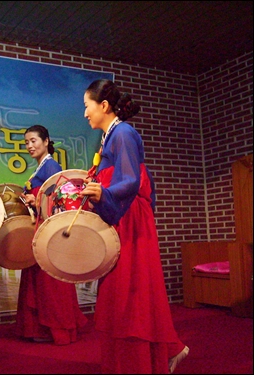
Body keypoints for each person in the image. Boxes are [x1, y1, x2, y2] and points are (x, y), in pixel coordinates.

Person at [80, 79, 189, 374]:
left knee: (131, 294)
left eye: (87, 106)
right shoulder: (110, 136)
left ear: (103, 106)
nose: (86, 113)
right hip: (121, 215)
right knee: (127, 293)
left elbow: (129, 180)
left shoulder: (123, 133)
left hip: (129, 217)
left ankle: (146, 360)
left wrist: (104, 193)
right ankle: (165, 350)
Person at [17, 124, 88, 345]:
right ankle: (41, 328)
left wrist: (34, 199)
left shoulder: (52, 166)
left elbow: (62, 200)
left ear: (46, 141)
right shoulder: (41, 167)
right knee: (41, 281)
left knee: (51, 282)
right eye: (27, 142)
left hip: (49, 231)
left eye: (33, 141)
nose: (29, 145)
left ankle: (58, 330)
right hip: (40, 228)